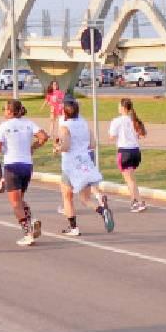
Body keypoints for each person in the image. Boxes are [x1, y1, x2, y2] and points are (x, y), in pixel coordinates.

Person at [0, 99, 47, 246]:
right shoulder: (28, 123)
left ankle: (28, 233)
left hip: (12, 166)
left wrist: (1, 147)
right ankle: (31, 220)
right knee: (19, 199)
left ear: (10, 111)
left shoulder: (4, 126)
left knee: (15, 204)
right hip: (27, 166)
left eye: (4, 109)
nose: (3, 111)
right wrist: (33, 147)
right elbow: (43, 137)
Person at [56, 99, 113, 236]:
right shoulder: (84, 124)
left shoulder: (64, 127)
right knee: (85, 199)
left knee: (67, 197)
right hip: (85, 162)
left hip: (70, 165)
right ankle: (102, 211)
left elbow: (66, 147)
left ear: (65, 112)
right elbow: (92, 144)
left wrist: (57, 148)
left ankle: (73, 227)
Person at [109, 98, 147, 212]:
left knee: (129, 180)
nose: (118, 108)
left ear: (123, 108)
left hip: (125, 152)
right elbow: (143, 134)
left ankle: (137, 202)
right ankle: (136, 201)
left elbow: (111, 137)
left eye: (119, 106)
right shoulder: (134, 120)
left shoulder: (117, 121)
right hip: (136, 152)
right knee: (131, 179)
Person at [42, 81, 65, 154]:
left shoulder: (60, 92)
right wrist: (44, 105)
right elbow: (47, 100)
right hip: (53, 109)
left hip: (59, 109)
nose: (55, 85)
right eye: (54, 84)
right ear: (51, 85)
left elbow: (62, 100)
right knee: (52, 122)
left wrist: (58, 100)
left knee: (59, 122)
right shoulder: (50, 93)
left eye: (56, 84)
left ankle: (59, 134)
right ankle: (50, 134)